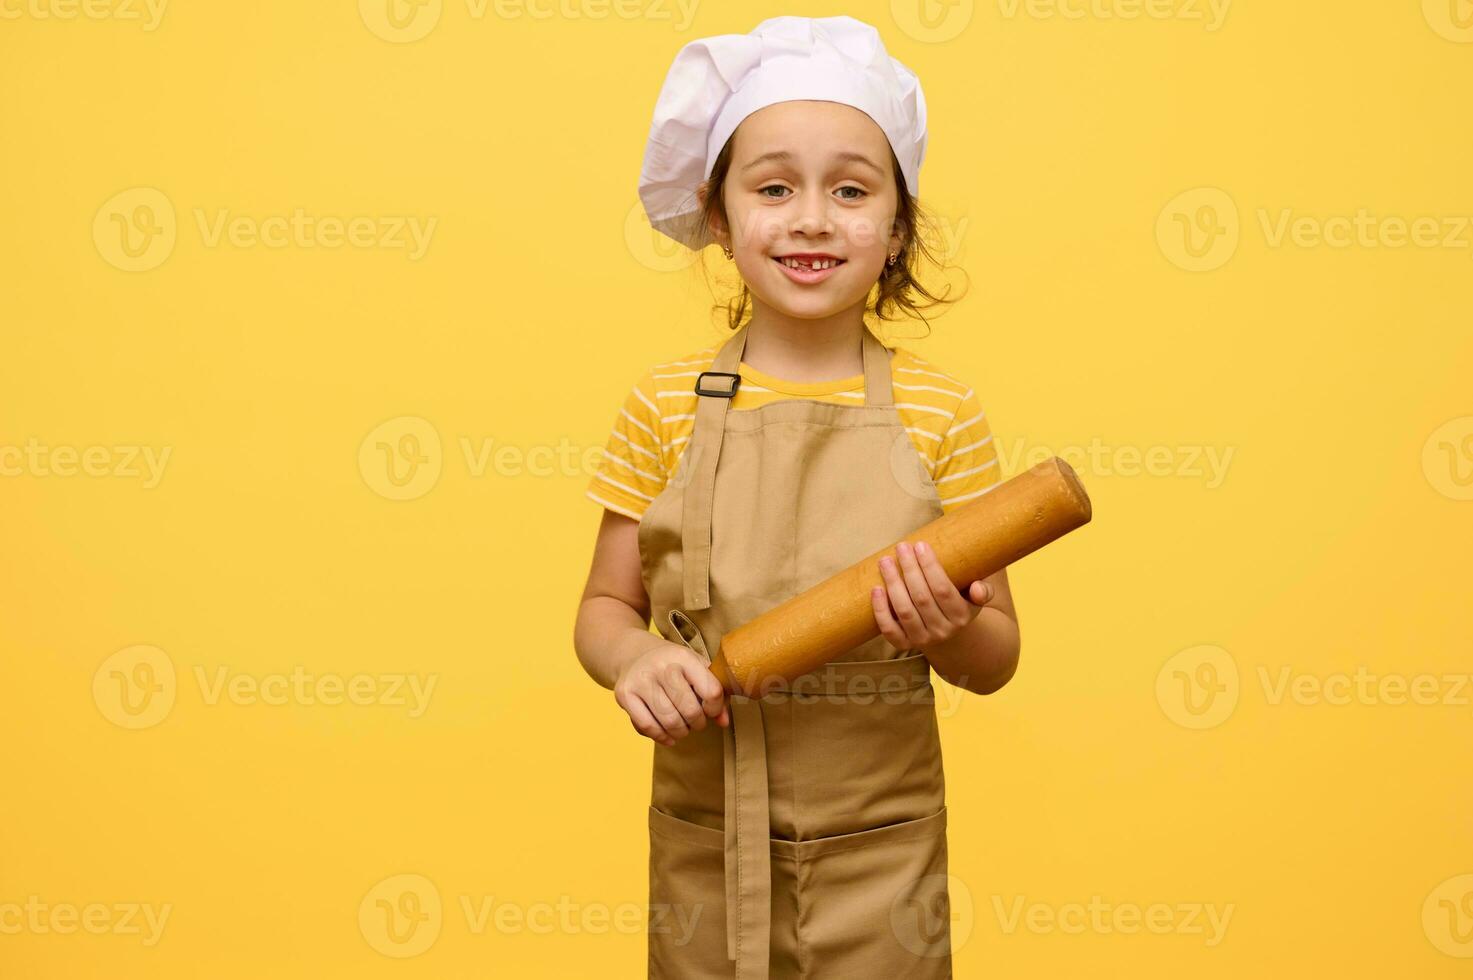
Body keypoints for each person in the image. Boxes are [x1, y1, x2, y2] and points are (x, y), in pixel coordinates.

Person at [572, 15, 1022, 978]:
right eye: (774, 187)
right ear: (721, 216)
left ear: (896, 227)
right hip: (707, 840)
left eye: (851, 191)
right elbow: (603, 609)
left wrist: (945, 629)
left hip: (885, 856)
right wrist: (633, 661)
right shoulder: (662, 406)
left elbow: (995, 659)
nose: (812, 218)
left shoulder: (942, 412)